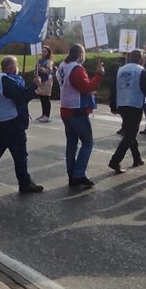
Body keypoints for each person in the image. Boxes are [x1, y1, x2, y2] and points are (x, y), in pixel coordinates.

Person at [0, 56, 44, 195]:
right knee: (20, 155)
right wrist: (34, 85)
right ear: (12, 68)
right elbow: (22, 97)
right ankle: (25, 183)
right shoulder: (8, 81)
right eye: (16, 66)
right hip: (12, 123)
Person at [56, 43, 104, 189]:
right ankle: (78, 174)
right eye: (83, 54)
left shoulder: (63, 66)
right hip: (77, 109)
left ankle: (72, 174)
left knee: (71, 143)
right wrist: (99, 75)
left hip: (66, 108)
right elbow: (87, 87)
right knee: (87, 142)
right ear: (79, 55)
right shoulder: (76, 69)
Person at [108, 49, 146, 173]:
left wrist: (112, 104)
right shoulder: (141, 70)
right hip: (134, 103)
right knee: (131, 134)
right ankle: (115, 161)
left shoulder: (121, 70)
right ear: (140, 58)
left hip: (122, 104)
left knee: (130, 130)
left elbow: (113, 88)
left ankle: (137, 158)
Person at [34, 46, 55, 122]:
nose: (43, 53)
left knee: (46, 98)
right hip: (41, 80)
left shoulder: (49, 61)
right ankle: (43, 114)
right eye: (42, 51)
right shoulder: (40, 60)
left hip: (47, 81)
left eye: (45, 51)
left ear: (48, 53)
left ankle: (47, 115)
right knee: (42, 98)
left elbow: (48, 71)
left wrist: (40, 68)